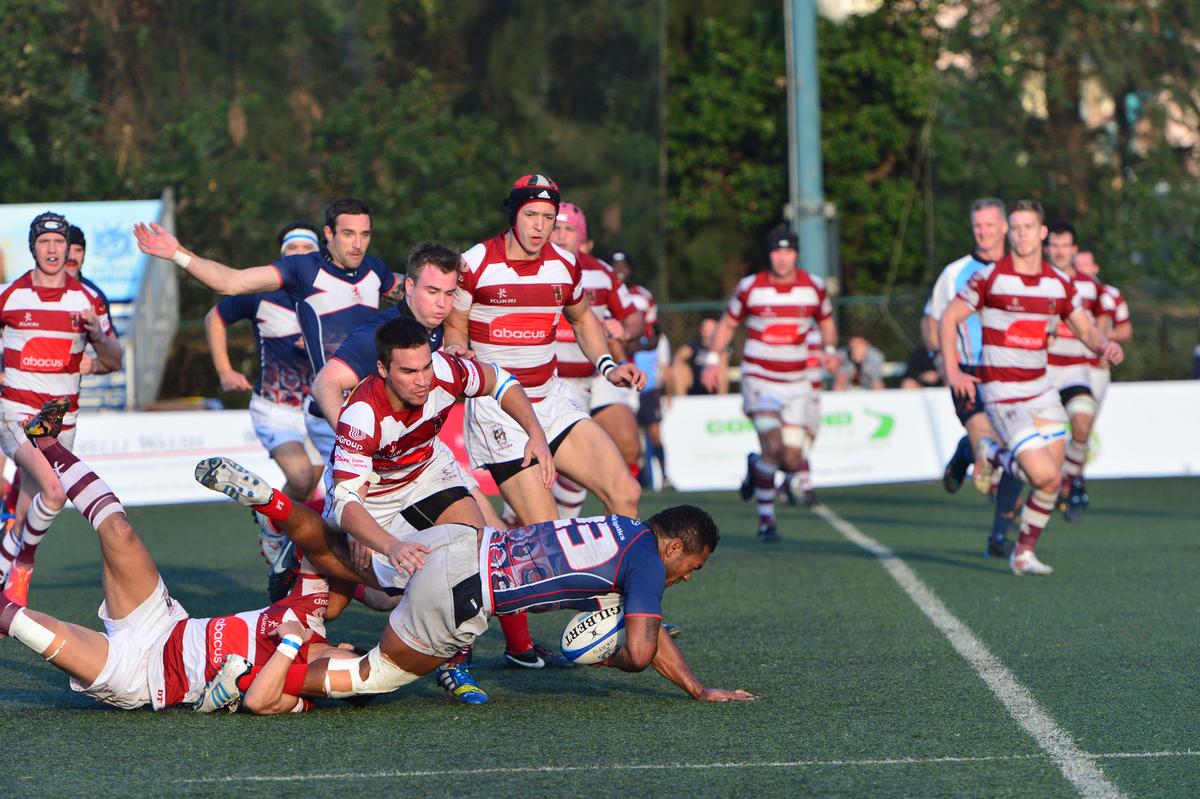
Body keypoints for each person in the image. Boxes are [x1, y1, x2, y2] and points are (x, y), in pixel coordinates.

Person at [196, 455, 756, 704]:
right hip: (466, 593)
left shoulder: (622, 526)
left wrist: (693, 684)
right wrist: (604, 654)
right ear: (676, 547)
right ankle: (255, 680)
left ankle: (275, 506)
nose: (685, 578)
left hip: (463, 541)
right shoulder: (649, 563)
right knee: (370, 676)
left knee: (354, 572)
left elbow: (647, 636)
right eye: (692, 567)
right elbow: (640, 650)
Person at [0, 401, 362, 714]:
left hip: (140, 678)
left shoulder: (296, 690)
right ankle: (47, 440)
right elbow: (324, 545)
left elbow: (258, 702)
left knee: (26, 625)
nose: (338, 674)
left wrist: (291, 643)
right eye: (349, 667)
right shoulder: (310, 610)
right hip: (163, 622)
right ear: (345, 647)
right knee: (118, 531)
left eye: (341, 685)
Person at [445, 175, 646, 668]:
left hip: (550, 401)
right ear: (513, 214)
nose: (541, 227)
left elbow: (582, 319)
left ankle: (624, 609)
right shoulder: (476, 263)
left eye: (549, 219)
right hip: (497, 410)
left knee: (626, 493)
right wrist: (459, 359)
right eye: (532, 216)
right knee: (546, 543)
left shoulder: (563, 264)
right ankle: (484, 634)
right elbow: (453, 329)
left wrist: (607, 366)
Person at [327, 315, 554, 703]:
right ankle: (303, 550)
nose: (423, 379)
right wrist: (388, 545)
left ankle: (455, 664)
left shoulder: (446, 371)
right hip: (374, 495)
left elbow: (501, 381)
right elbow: (346, 501)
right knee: (391, 597)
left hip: (430, 472)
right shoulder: (361, 415)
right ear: (382, 369)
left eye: (426, 366)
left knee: (476, 556)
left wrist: (537, 434)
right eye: (409, 371)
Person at [134, 197, 403, 462]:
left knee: (359, 494)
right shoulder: (302, 270)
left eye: (364, 235)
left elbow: (416, 296)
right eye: (348, 234)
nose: (357, 244)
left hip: (376, 404)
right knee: (339, 486)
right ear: (328, 234)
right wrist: (178, 254)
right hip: (329, 408)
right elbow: (230, 282)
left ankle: (271, 503)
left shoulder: (375, 269)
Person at [940, 200, 1123, 576]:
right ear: (1010, 231)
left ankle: (1023, 552)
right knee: (1040, 475)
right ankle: (990, 454)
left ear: (1042, 233)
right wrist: (953, 371)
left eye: (1029, 227)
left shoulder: (1058, 283)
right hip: (1004, 395)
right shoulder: (990, 278)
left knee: (1052, 479)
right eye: (1016, 227)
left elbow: (1085, 328)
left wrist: (1105, 345)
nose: (1023, 234)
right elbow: (949, 318)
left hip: (1042, 392)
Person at [0, 213, 124, 605]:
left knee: (25, 514)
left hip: (61, 420)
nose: (52, 250)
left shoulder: (88, 299)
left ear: (68, 248)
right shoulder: (10, 296)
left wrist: (98, 335)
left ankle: (3, 578)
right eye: (44, 242)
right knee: (54, 492)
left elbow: (115, 358)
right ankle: (22, 570)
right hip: (15, 412)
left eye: (59, 242)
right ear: (33, 247)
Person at [701, 226, 838, 542]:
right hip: (760, 380)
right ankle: (767, 521)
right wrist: (712, 359)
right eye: (776, 251)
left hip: (798, 384)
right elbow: (728, 323)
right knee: (773, 447)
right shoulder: (751, 287)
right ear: (769, 254)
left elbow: (827, 323)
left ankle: (756, 466)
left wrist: (830, 351)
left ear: (797, 254)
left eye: (788, 251)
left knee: (790, 460)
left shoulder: (814, 288)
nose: (782, 257)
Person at [203, 222, 324, 565]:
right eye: (292, 250)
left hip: (320, 409)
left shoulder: (333, 295)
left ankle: (292, 550)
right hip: (275, 408)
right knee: (300, 477)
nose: (299, 257)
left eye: (307, 250)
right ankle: (272, 528)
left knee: (307, 492)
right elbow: (214, 317)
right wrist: (225, 370)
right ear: (281, 257)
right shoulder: (261, 293)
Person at [921, 197, 1018, 558]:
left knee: (1014, 455)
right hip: (968, 373)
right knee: (989, 445)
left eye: (990, 224)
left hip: (1010, 375)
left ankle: (997, 535)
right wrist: (945, 362)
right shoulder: (956, 273)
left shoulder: (1018, 270)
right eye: (978, 225)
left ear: (1004, 227)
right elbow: (932, 320)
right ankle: (974, 451)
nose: (983, 231)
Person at [548, 202, 644, 518]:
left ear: (583, 238)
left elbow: (634, 318)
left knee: (629, 445)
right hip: (548, 380)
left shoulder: (600, 273)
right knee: (565, 469)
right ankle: (559, 533)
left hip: (596, 374)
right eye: (555, 228)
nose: (560, 236)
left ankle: (597, 537)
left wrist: (624, 328)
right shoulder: (531, 268)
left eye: (568, 230)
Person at [1043, 222, 1106, 521]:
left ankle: (1073, 481)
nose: (1059, 251)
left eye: (1065, 245)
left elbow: (1100, 323)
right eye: (1054, 245)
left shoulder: (1090, 285)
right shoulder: (1036, 279)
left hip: (1075, 370)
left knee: (1082, 425)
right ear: (1047, 247)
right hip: (1040, 372)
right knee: (1039, 445)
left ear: (1074, 249)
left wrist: (1105, 345)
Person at [611, 252, 668, 488]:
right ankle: (632, 478)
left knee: (653, 431)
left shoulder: (643, 296)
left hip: (644, 374)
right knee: (626, 434)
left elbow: (655, 335)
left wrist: (634, 343)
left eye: (624, 266)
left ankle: (664, 477)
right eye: (615, 266)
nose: (619, 270)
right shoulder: (603, 291)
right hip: (615, 374)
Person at [1074, 251, 1132, 412]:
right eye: (1076, 265)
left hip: (1096, 367)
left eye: (1084, 265)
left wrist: (1103, 341)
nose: (1080, 269)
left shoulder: (1109, 295)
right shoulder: (1064, 292)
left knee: (1091, 420)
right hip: (1067, 366)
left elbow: (1125, 330)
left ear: (1095, 268)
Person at [64, 225, 120, 375]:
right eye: (68, 250)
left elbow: (115, 360)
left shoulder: (94, 297)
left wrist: (93, 366)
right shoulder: (27, 289)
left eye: (79, 250)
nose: (72, 257)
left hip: (67, 394)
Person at [672, 317, 730, 396]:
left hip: (714, 382)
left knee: (721, 368)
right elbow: (680, 354)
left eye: (710, 329)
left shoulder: (722, 347)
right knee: (679, 367)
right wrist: (678, 363)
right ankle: (681, 402)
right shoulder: (695, 344)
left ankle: (722, 400)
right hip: (695, 381)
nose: (707, 332)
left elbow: (724, 358)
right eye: (705, 329)